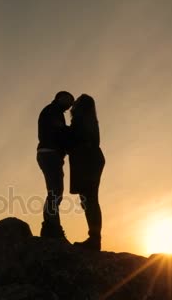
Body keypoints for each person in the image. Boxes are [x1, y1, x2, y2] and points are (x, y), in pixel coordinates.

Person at [68, 94, 105, 251]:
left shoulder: (80, 120)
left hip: (87, 160)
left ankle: (94, 239)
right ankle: (94, 239)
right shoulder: (89, 120)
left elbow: (75, 139)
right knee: (88, 200)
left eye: (76, 102)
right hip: (89, 159)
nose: (73, 105)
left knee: (89, 200)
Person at [37, 91, 74, 240]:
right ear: (59, 98)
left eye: (71, 101)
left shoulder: (55, 112)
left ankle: (51, 226)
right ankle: (51, 228)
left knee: (55, 191)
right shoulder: (51, 111)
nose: (70, 103)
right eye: (68, 99)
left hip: (50, 154)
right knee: (55, 191)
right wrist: (73, 131)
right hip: (49, 153)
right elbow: (59, 131)